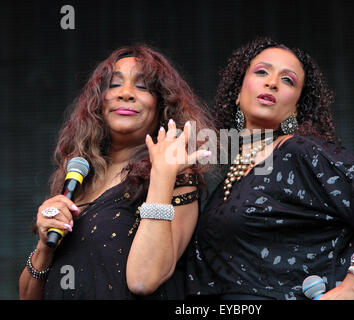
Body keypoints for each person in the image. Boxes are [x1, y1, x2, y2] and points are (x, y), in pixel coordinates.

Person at [184, 37, 354, 300]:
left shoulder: (295, 151)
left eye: (287, 80)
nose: (272, 82)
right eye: (261, 71)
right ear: (238, 92)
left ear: (296, 109)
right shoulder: (234, 174)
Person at [18, 44, 214, 299]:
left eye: (142, 87)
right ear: (98, 102)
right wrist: (44, 247)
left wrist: (162, 176)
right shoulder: (77, 180)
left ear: (162, 105)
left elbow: (144, 280)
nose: (126, 93)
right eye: (114, 84)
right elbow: (27, 296)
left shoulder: (177, 176)